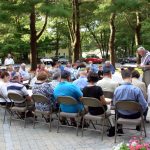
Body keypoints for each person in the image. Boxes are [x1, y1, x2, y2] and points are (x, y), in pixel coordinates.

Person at [82, 72, 115, 137]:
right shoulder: (98, 88)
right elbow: (103, 102)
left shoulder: (84, 89)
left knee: (106, 108)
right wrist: (109, 102)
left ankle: (108, 125)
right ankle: (112, 127)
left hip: (90, 110)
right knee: (109, 109)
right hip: (100, 111)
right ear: (96, 79)